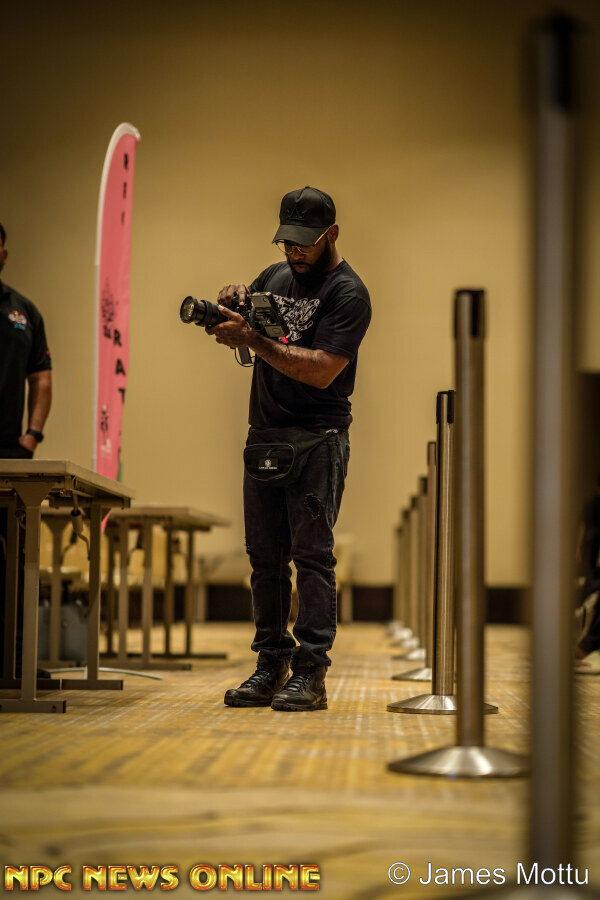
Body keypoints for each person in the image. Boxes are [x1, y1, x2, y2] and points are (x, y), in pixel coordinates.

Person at [206, 186, 371, 711]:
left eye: (305, 242)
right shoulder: (273, 277)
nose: (295, 252)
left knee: (311, 557)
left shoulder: (348, 294)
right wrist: (235, 307)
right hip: (265, 433)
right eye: (287, 242)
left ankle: (311, 672)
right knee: (264, 558)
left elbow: (321, 371)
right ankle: (270, 663)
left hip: (318, 437)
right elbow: (249, 330)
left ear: (332, 234)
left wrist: (252, 340)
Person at [0, 222, 52, 677]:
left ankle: (16, 660)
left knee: (15, 558)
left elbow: (42, 378)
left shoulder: (23, 311)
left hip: (9, 452)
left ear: (4, 252)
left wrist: (32, 434)